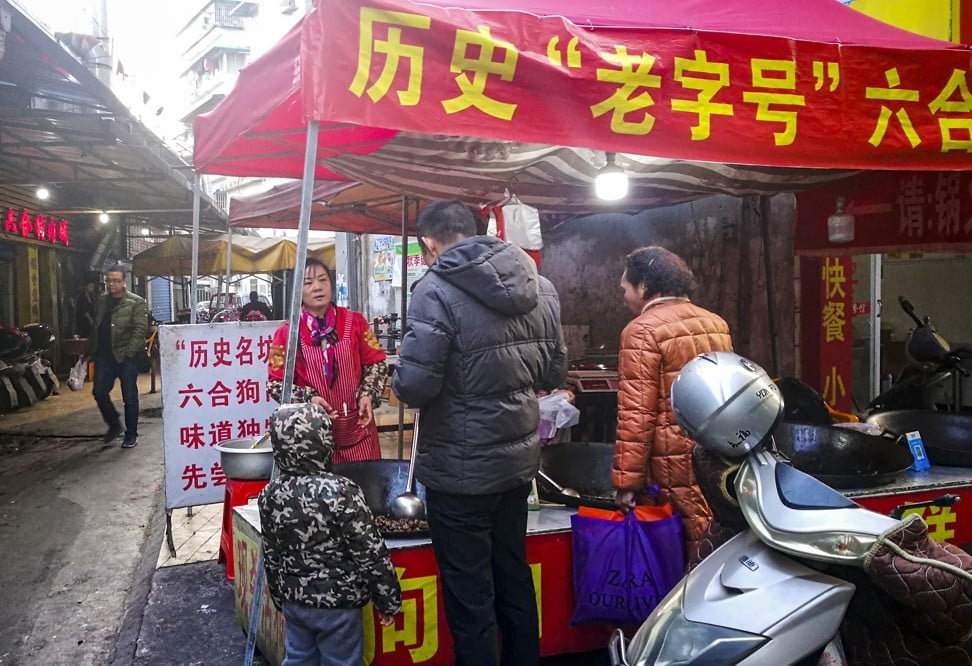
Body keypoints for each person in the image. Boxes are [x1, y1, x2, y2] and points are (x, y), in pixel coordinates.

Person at [392, 199, 567, 666]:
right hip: (516, 465)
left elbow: (415, 386)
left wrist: (400, 372)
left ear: (429, 244)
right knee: (512, 574)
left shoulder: (434, 290)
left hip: (458, 472)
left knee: (471, 598)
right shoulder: (540, 286)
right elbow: (554, 370)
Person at [258, 402, 402, 666]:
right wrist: (387, 599)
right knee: (342, 661)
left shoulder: (270, 494)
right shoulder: (342, 490)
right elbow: (369, 551)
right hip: (338, 604)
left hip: (295, 602)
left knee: (299, 659)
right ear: (325, 441)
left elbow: (271, 552)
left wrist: (279, 597)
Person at [611, 246, 733, 558]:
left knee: (676, 548)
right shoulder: (716, 324)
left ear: (644, 286)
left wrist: (627, 482)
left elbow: (636, 415)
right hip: (715, 452)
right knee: (713, 534)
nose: (623, 295)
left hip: (669, 463)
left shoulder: (641, 331)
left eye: (625, 287)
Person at [266, 258, 388, 464]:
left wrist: (368, 394)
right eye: (308, 282)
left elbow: (377, 363)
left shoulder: (356, 321)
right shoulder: (286, 334)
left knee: (368, 490)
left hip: (360, 433)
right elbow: (275, 384)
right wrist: (309, 399)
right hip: (312, 440)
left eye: (323, 279)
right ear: (298, 291)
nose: (317, 287)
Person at [84, 265, 148, 448]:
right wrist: (88, 351)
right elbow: (96, 327)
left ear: (124, 281)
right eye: (108, 280)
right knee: (99, 392)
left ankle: (131, 434)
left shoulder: (136, 302)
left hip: (125, 356)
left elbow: (139, 329)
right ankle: (114, 424)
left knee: (130, 397)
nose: (111, 284)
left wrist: (129, 352)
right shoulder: (102, 301)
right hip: (104, 355)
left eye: (115, 280)